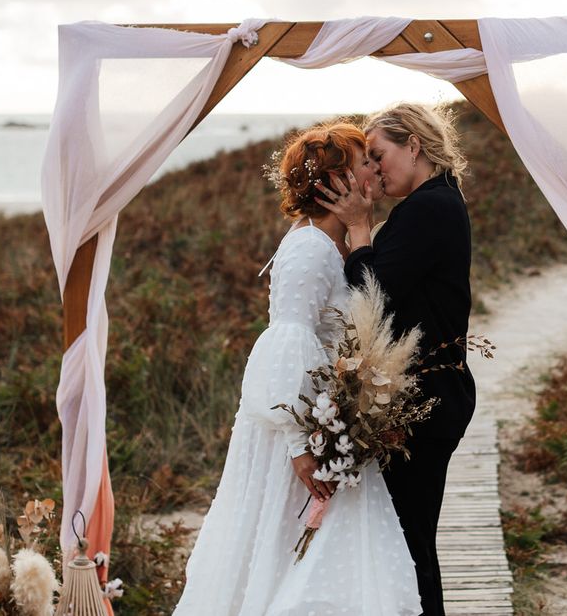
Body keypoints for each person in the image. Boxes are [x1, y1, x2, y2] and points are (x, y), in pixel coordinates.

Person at [173, 123, 421, 616]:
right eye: (363, 161)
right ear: (336, 182)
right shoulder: (309, 248)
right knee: (293, 556)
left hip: (327, 428)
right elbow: (287, 342)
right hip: (303, 436)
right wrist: (299, 446)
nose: (374, 167)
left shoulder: (334, 245)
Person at [315, 103, 475, 616]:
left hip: (427, 398)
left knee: (409, 543)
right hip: (434, 392)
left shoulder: (428, 208)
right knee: (410, 538)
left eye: (380, 154)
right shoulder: (437, 202)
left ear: (415, 145)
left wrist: (360, 230)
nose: (376, 168)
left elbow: (374, 297)